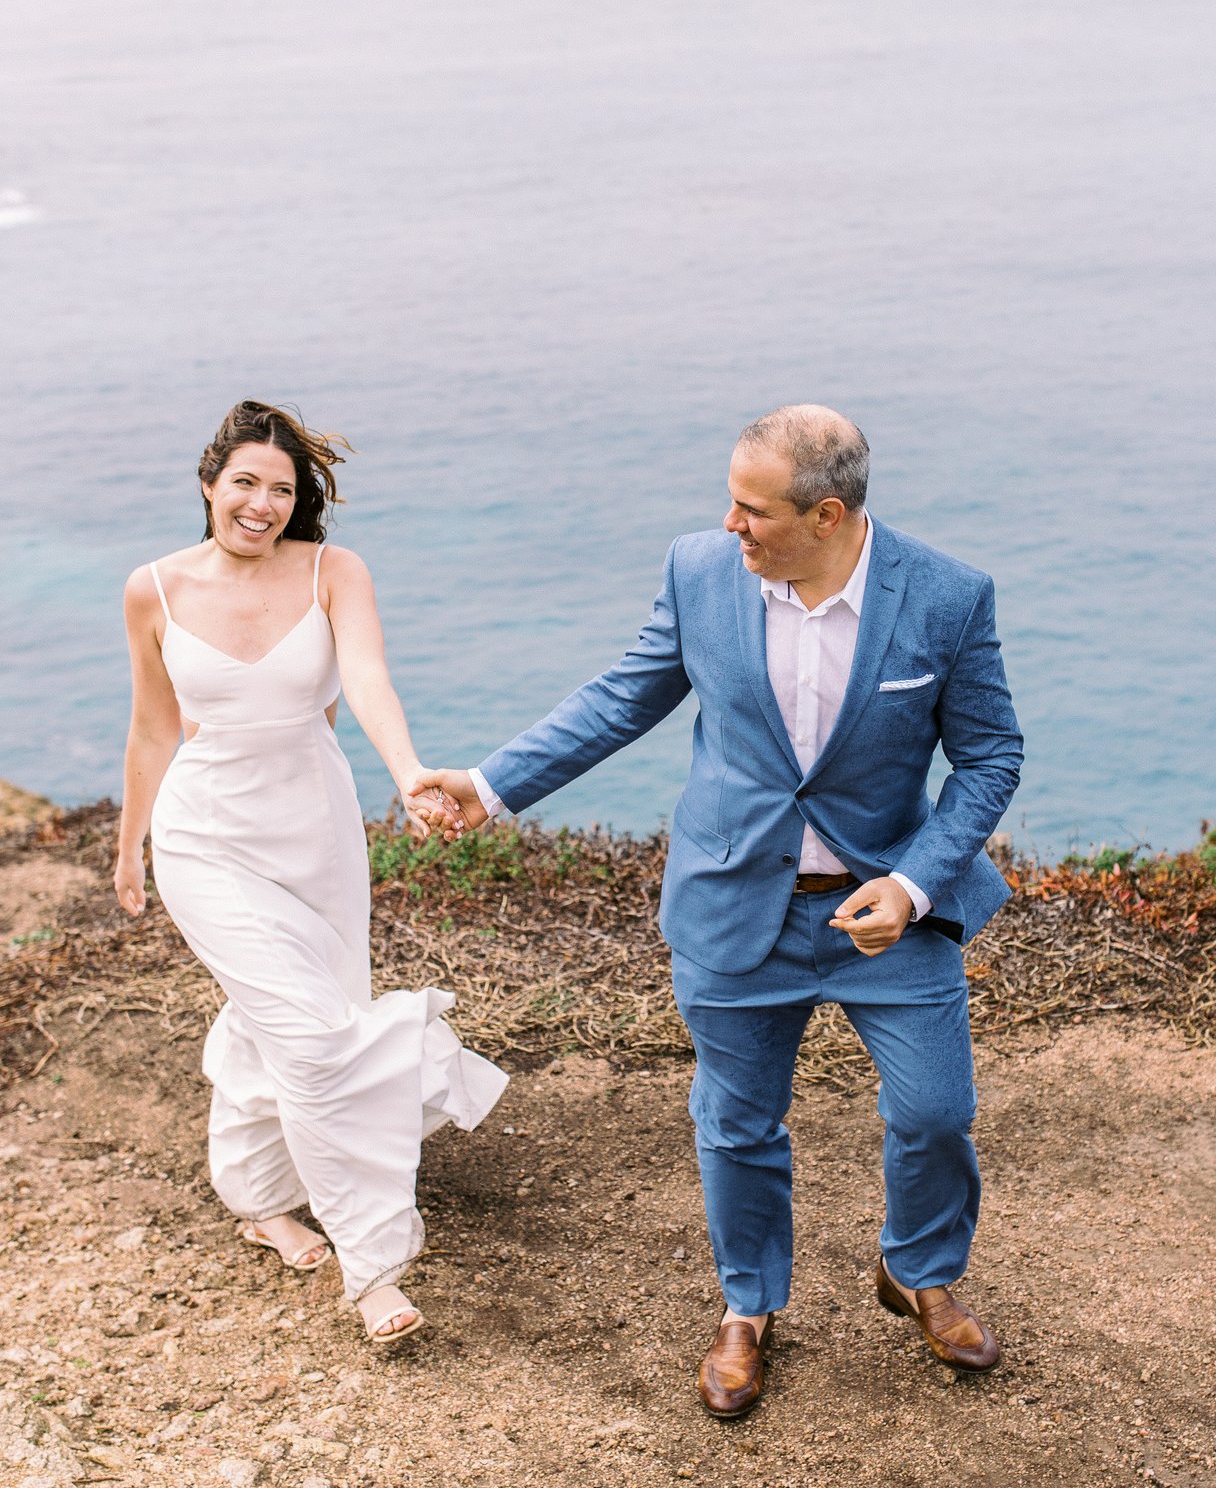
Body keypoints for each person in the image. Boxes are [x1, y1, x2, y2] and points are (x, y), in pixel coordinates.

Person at [413, 404, 1023, 1417]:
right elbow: (622, 697)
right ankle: (748, 1304)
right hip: (736, 901)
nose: (729, 525)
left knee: (935, 1112)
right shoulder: (700, 570)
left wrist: (913, 882)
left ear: (826, 515)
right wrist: (491, 783)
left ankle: (918, 1268)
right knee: (738, 1123)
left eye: (752, 509)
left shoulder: (948, 597)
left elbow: (990, 754)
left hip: (887, 912)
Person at [114, 399, 506, 1346]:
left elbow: (366, 680)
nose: (262, 504)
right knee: (315, 1034)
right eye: (244, 482)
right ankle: (373, 1263)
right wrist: (131, 843)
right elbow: (155, 726)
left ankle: (256, 1195)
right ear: (209, 484)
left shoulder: (336, 572)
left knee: (284, 1018)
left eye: (282, 490)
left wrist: (409, 772)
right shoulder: (153, 589)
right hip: (205, 835)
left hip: (317, 831)